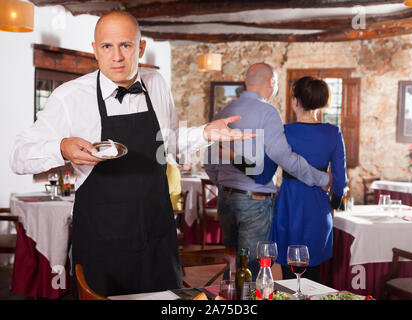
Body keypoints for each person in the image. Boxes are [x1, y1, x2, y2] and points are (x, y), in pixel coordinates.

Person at [9, 10, 255, 298]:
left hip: (157, 238)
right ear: (95, 50)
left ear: (140, 48)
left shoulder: (157, 84)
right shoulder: (69, 97)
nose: (117, 56)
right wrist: (61, 147)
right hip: (102, 243)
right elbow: (18, 156)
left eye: (125, 45)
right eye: (107, 46)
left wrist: (204, 134)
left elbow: (168, 143)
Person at [204, 63, 331, 280]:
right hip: (254, 200)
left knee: (232, 263)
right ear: (271, 82)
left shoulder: (223, 111)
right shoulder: (268, 113)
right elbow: (284, 156)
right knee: (252, 269)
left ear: (247, 81)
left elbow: (209, 159)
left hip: (225, 198)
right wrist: (322, 178)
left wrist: (224, 184)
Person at [239, 76, 348, 282]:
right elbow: (341, 180)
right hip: (318, 209)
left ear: (294, 101)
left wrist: (235, 159)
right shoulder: (334, 133)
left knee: (290, 272)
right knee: (314, 273)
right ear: (322, 102)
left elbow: (262, 174)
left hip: (290, 206)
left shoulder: (283, 132)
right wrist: (334, 203)